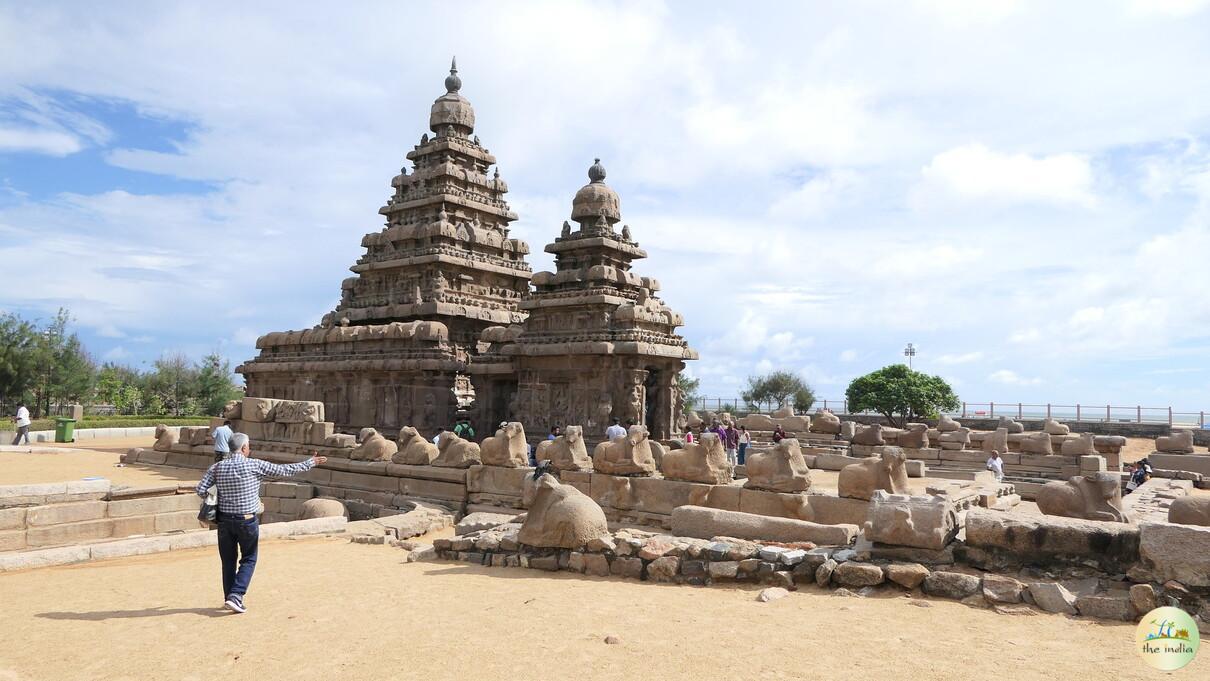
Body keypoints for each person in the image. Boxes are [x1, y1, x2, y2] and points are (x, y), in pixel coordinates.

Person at [194, 433, 326, 614]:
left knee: (228, 561)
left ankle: (229, 597)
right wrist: (310, 462)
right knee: (249, 558)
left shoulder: (217, 467)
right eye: (248, 446)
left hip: (224, 521)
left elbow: (201, 490)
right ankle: (236, 595)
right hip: (246, 520)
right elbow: (285, 470)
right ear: (244, 448)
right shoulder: (254, 465)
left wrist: (221, 492)